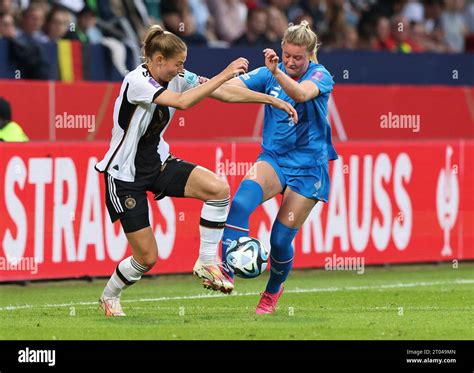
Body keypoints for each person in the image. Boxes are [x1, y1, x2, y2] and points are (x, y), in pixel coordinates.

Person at [96, 24, 297, 316]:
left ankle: (206, 261)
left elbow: (225, 94)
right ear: (158, 60)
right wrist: (226, 72)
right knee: (146, 257)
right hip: (124, 175)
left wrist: (272, 100)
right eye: (178, 63)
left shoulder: (176, 75)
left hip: (158, 163)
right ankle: (109, 296)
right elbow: (182, 102)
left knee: (218, 189)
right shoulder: (136, 81)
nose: (182, 69)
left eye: (184, 64)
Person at [219, 20, 338, 314]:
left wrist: (275, 73)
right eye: (287, 55)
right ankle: (225, 271)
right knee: (240, 203)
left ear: (310, 55)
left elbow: (299, 94)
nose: (291, 62)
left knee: (280, 239)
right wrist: (210, 81)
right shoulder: (269, 73)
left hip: (309, 169)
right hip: (273, 159)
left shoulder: (321, 76)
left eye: (298, 57)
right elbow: (226, 90)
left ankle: (272, 292)